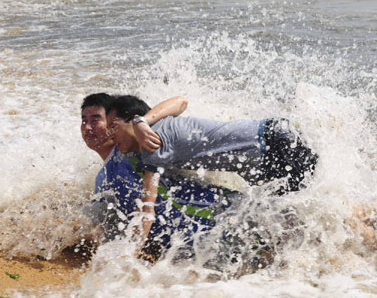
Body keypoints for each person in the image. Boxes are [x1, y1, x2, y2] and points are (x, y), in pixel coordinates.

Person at [106, 94, 318, 246]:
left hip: (275, 147)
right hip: (273, 140)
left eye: (113, 127)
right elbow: (181, 102)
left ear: (132, 121)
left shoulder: (153, 144)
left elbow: (147, 211)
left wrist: (130, 259)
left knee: (296, 222)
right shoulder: (160, 122)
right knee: (296, 217)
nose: (110, 135)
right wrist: (143, 121)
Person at [81, 93, 236, 261]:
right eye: (84, 121)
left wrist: (142, 122)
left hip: (225, 216)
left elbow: (180, 102)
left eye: (96, 120)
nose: (88, 128)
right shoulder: (102, 179)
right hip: (195, 249)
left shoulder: (143, 143)